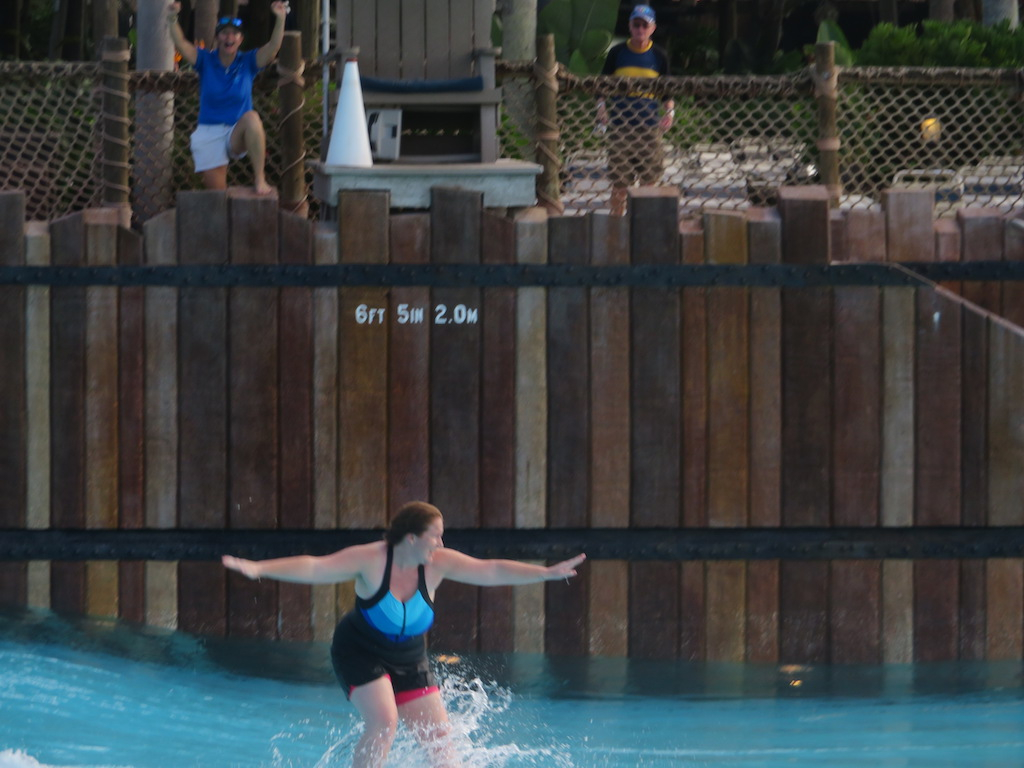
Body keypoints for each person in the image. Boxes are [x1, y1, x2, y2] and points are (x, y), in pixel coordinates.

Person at [222, 501, 586, 768]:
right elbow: (317, 567)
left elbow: (489, 570)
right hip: (359, 651)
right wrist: (258, 569)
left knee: (443, 747)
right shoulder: (371, 560)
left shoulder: (438, 564)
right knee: (384, 722)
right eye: (435, 537)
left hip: (409, 657)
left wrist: (545, 573)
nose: (440, 545)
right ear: (411, 538)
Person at [167, 1, 288, 195]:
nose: (229, 37)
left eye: (234, 33)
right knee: (218, 196)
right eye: (224, 32)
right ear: (217, 37)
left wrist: (280, 18)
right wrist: (172, 17)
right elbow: (181, 43)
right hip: (209, 132)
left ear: (240, 39)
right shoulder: (205, 60)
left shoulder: (248, 61)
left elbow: (273, 48)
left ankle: (260, 179)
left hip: (236, 133)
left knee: (252, 118)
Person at [597, 4, 675, 216]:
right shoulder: (616, 53)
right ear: (630, 26)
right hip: (621, 127)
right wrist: (600, 106)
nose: (640, 29)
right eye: (636, 25)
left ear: (652, 28)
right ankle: (616, 223)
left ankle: (643, 223)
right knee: (620, 184)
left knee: (649, 181)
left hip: (649, 127)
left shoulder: (659, 56)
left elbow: (667, 93)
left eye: (644, 25)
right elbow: (601, 85)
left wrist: (669, 113)